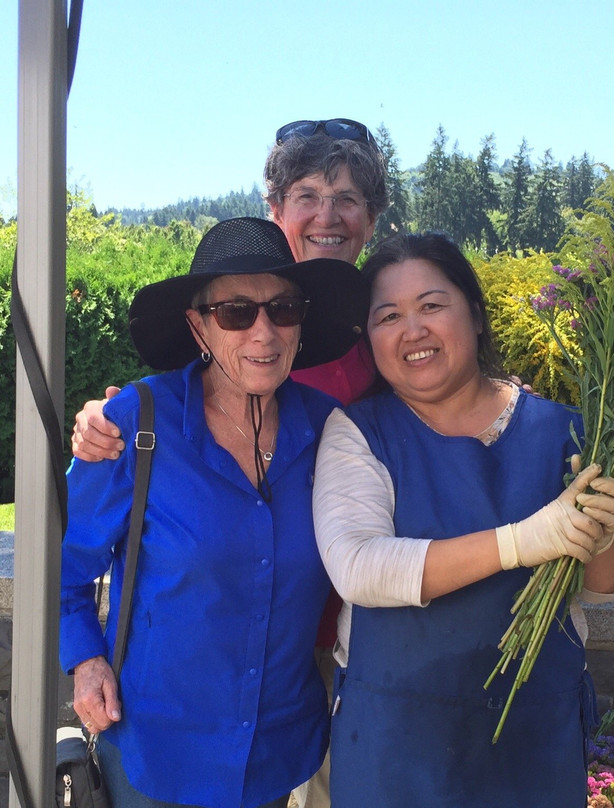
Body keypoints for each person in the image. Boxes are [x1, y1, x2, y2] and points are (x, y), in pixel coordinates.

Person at [69, 118, 388, 808]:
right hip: (156, 746)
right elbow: (64, 569)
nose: (264, 332)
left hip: (278, 747)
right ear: (198, 326)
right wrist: (85, 659)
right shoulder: (137, 424)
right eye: (236, 312)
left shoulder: (329, 430)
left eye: (283, 308)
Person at [312, 232, 614, 806]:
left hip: (532, 738)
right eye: (388, 316)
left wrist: (601, 537)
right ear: (370, 339)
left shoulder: (563, 431)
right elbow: (359, 568)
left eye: (432, 306)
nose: (412, 330)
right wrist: (523, 541)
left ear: (477, 315)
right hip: (395, 741)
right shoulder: (358, 433)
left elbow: (611, 582)